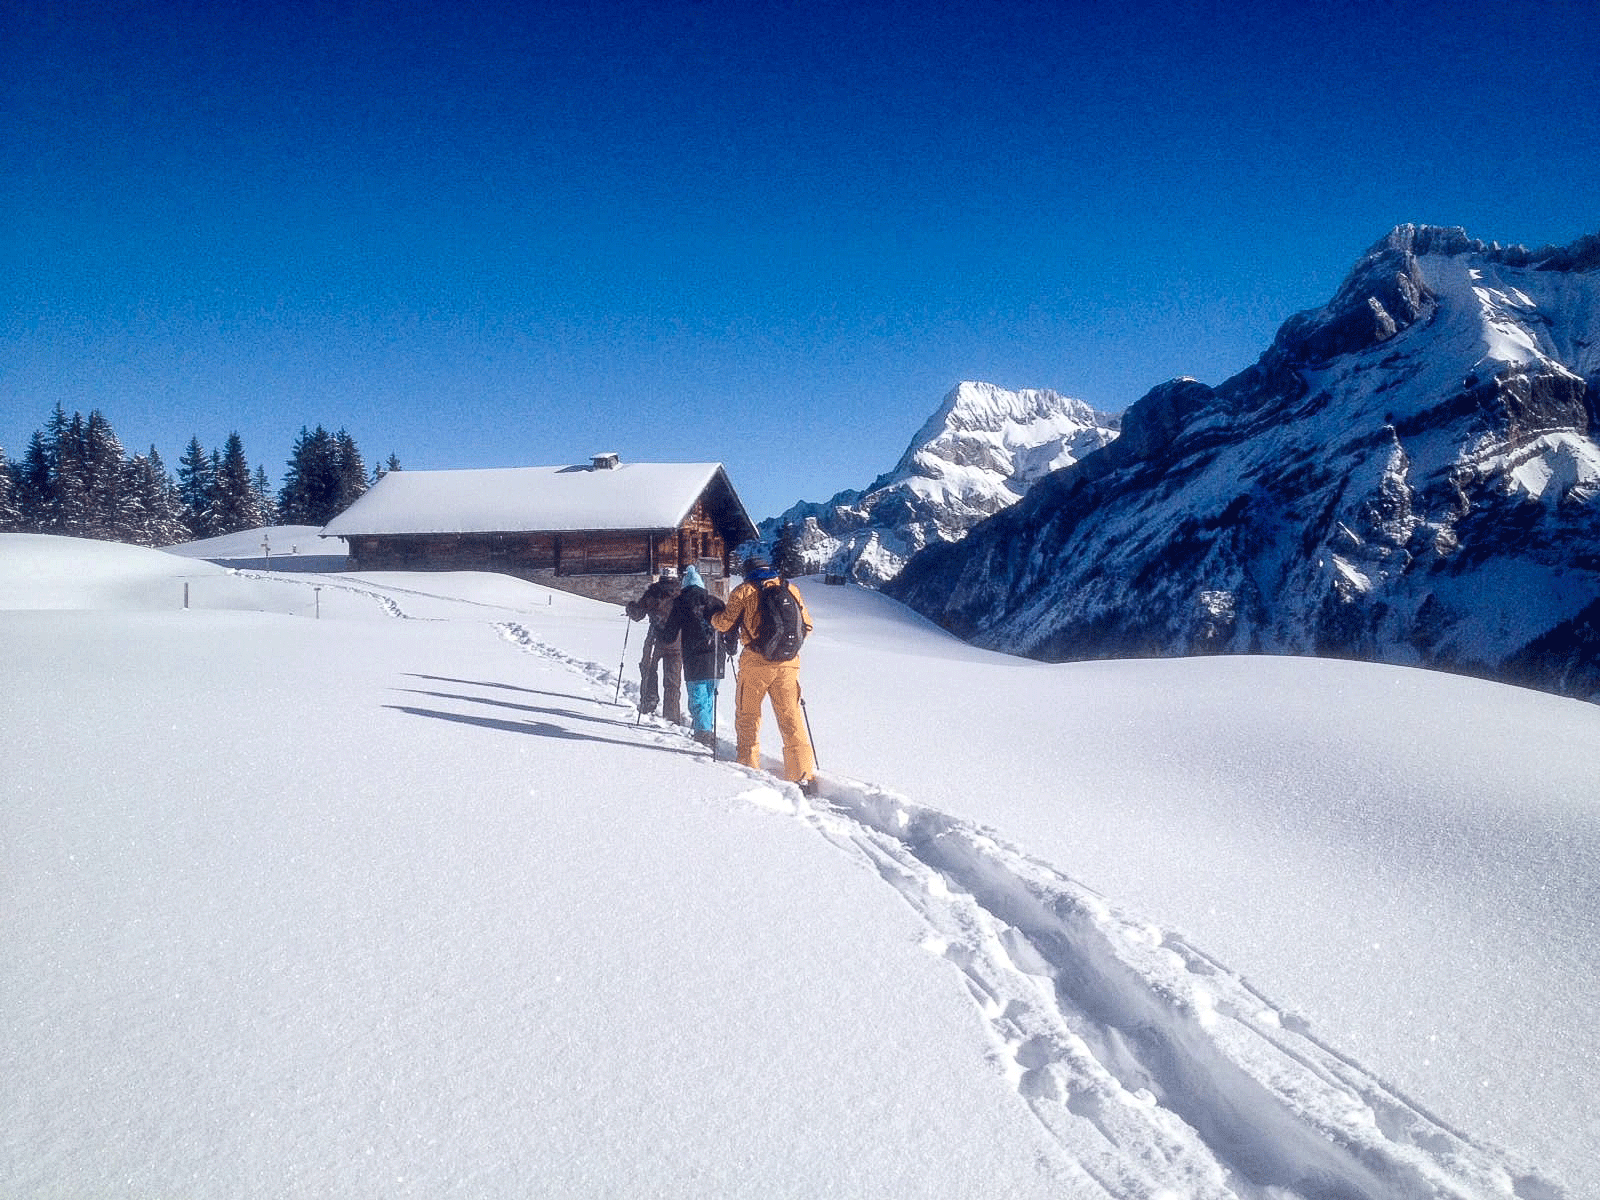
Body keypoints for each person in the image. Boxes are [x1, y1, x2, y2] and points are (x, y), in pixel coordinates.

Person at [710, 555, 817, 793]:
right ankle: (802, 774)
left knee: (748, 715)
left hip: (756, 662)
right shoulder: (790, 588)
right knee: (791, 718)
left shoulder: (744, 591)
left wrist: (713, 616)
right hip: (789, 665)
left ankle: (748, 767)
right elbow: (807, 626)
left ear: (748, 571)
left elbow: (725, 624)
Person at [655, 565, 727, 750]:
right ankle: (706, 728)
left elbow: (670, 635)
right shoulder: (716, 601)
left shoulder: (681, 603)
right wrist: (731, 647)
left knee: (698, 695)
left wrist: (658, 628)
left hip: (694, 656)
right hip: (717, 655)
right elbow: (730, 626)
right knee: (710, 694)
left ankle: (703, 733)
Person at [624, 569, 684, 723]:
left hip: (655, 639)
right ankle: (672, 716)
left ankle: (649, 701)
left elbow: (638, 615)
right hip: (677, 641)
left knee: (648, 668)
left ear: (662, 577)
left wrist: (631, 607)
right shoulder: (682, 593)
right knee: (673, 680)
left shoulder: (653, 592)